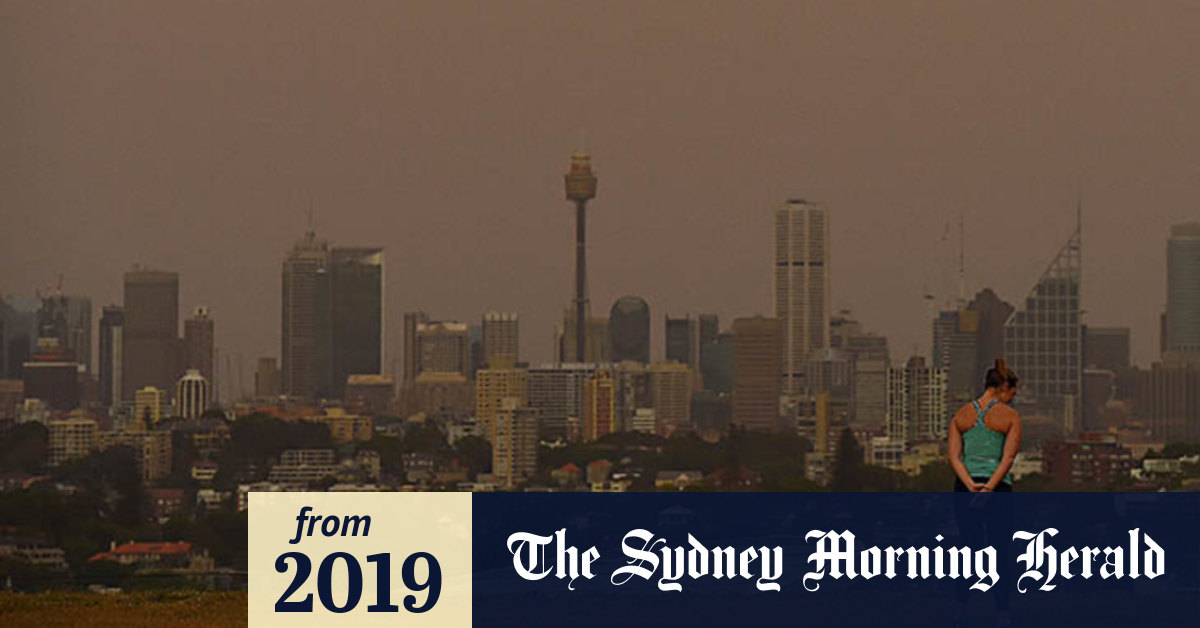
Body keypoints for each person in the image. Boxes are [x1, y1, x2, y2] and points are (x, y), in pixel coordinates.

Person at [947, 359, 1021, 628]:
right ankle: (1003, 614)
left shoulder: (961, 415)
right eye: (1012, 393)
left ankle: (959, 610)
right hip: (998, 488)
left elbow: (954, 457)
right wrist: (989, 488)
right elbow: (1008, 457)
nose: (1013, 399)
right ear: (1003, 386)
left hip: (964, 487)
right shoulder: (1010, 417)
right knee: (1001, 551)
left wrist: (969, 485)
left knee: (969, 549)